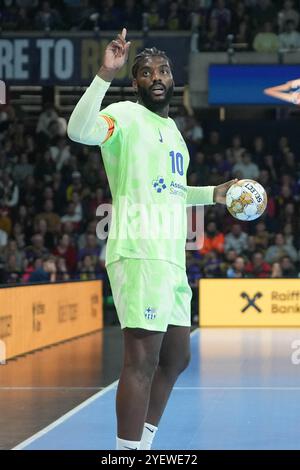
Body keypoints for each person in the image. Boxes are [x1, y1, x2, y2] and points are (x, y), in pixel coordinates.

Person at [67, 28, 236, 451]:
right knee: (141, 362)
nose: (155, 76)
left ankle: (141, 443)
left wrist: (213, 194)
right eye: (145, 72)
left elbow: (176, 192)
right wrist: (105, 73)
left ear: (173, 78)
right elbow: (78, 130)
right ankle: (127, 455)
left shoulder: (175, 132)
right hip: (139, 252)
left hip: (170, 258)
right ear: (135, 82)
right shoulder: (124, 115)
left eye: (162, 70)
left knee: (177, 357)